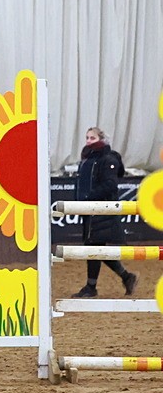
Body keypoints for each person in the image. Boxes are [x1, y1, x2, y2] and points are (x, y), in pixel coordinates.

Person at [72, 126, 138, 298]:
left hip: (101, 210)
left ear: (101, 139)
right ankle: (126, 276)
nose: (88, 141)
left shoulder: (107, 159)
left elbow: (110, 185)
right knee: (95, 247)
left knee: (94, 247)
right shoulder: (89, 159)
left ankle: (91, 286)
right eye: (87, 137)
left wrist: (88, 197)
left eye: (92, 138)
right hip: (91, 210)